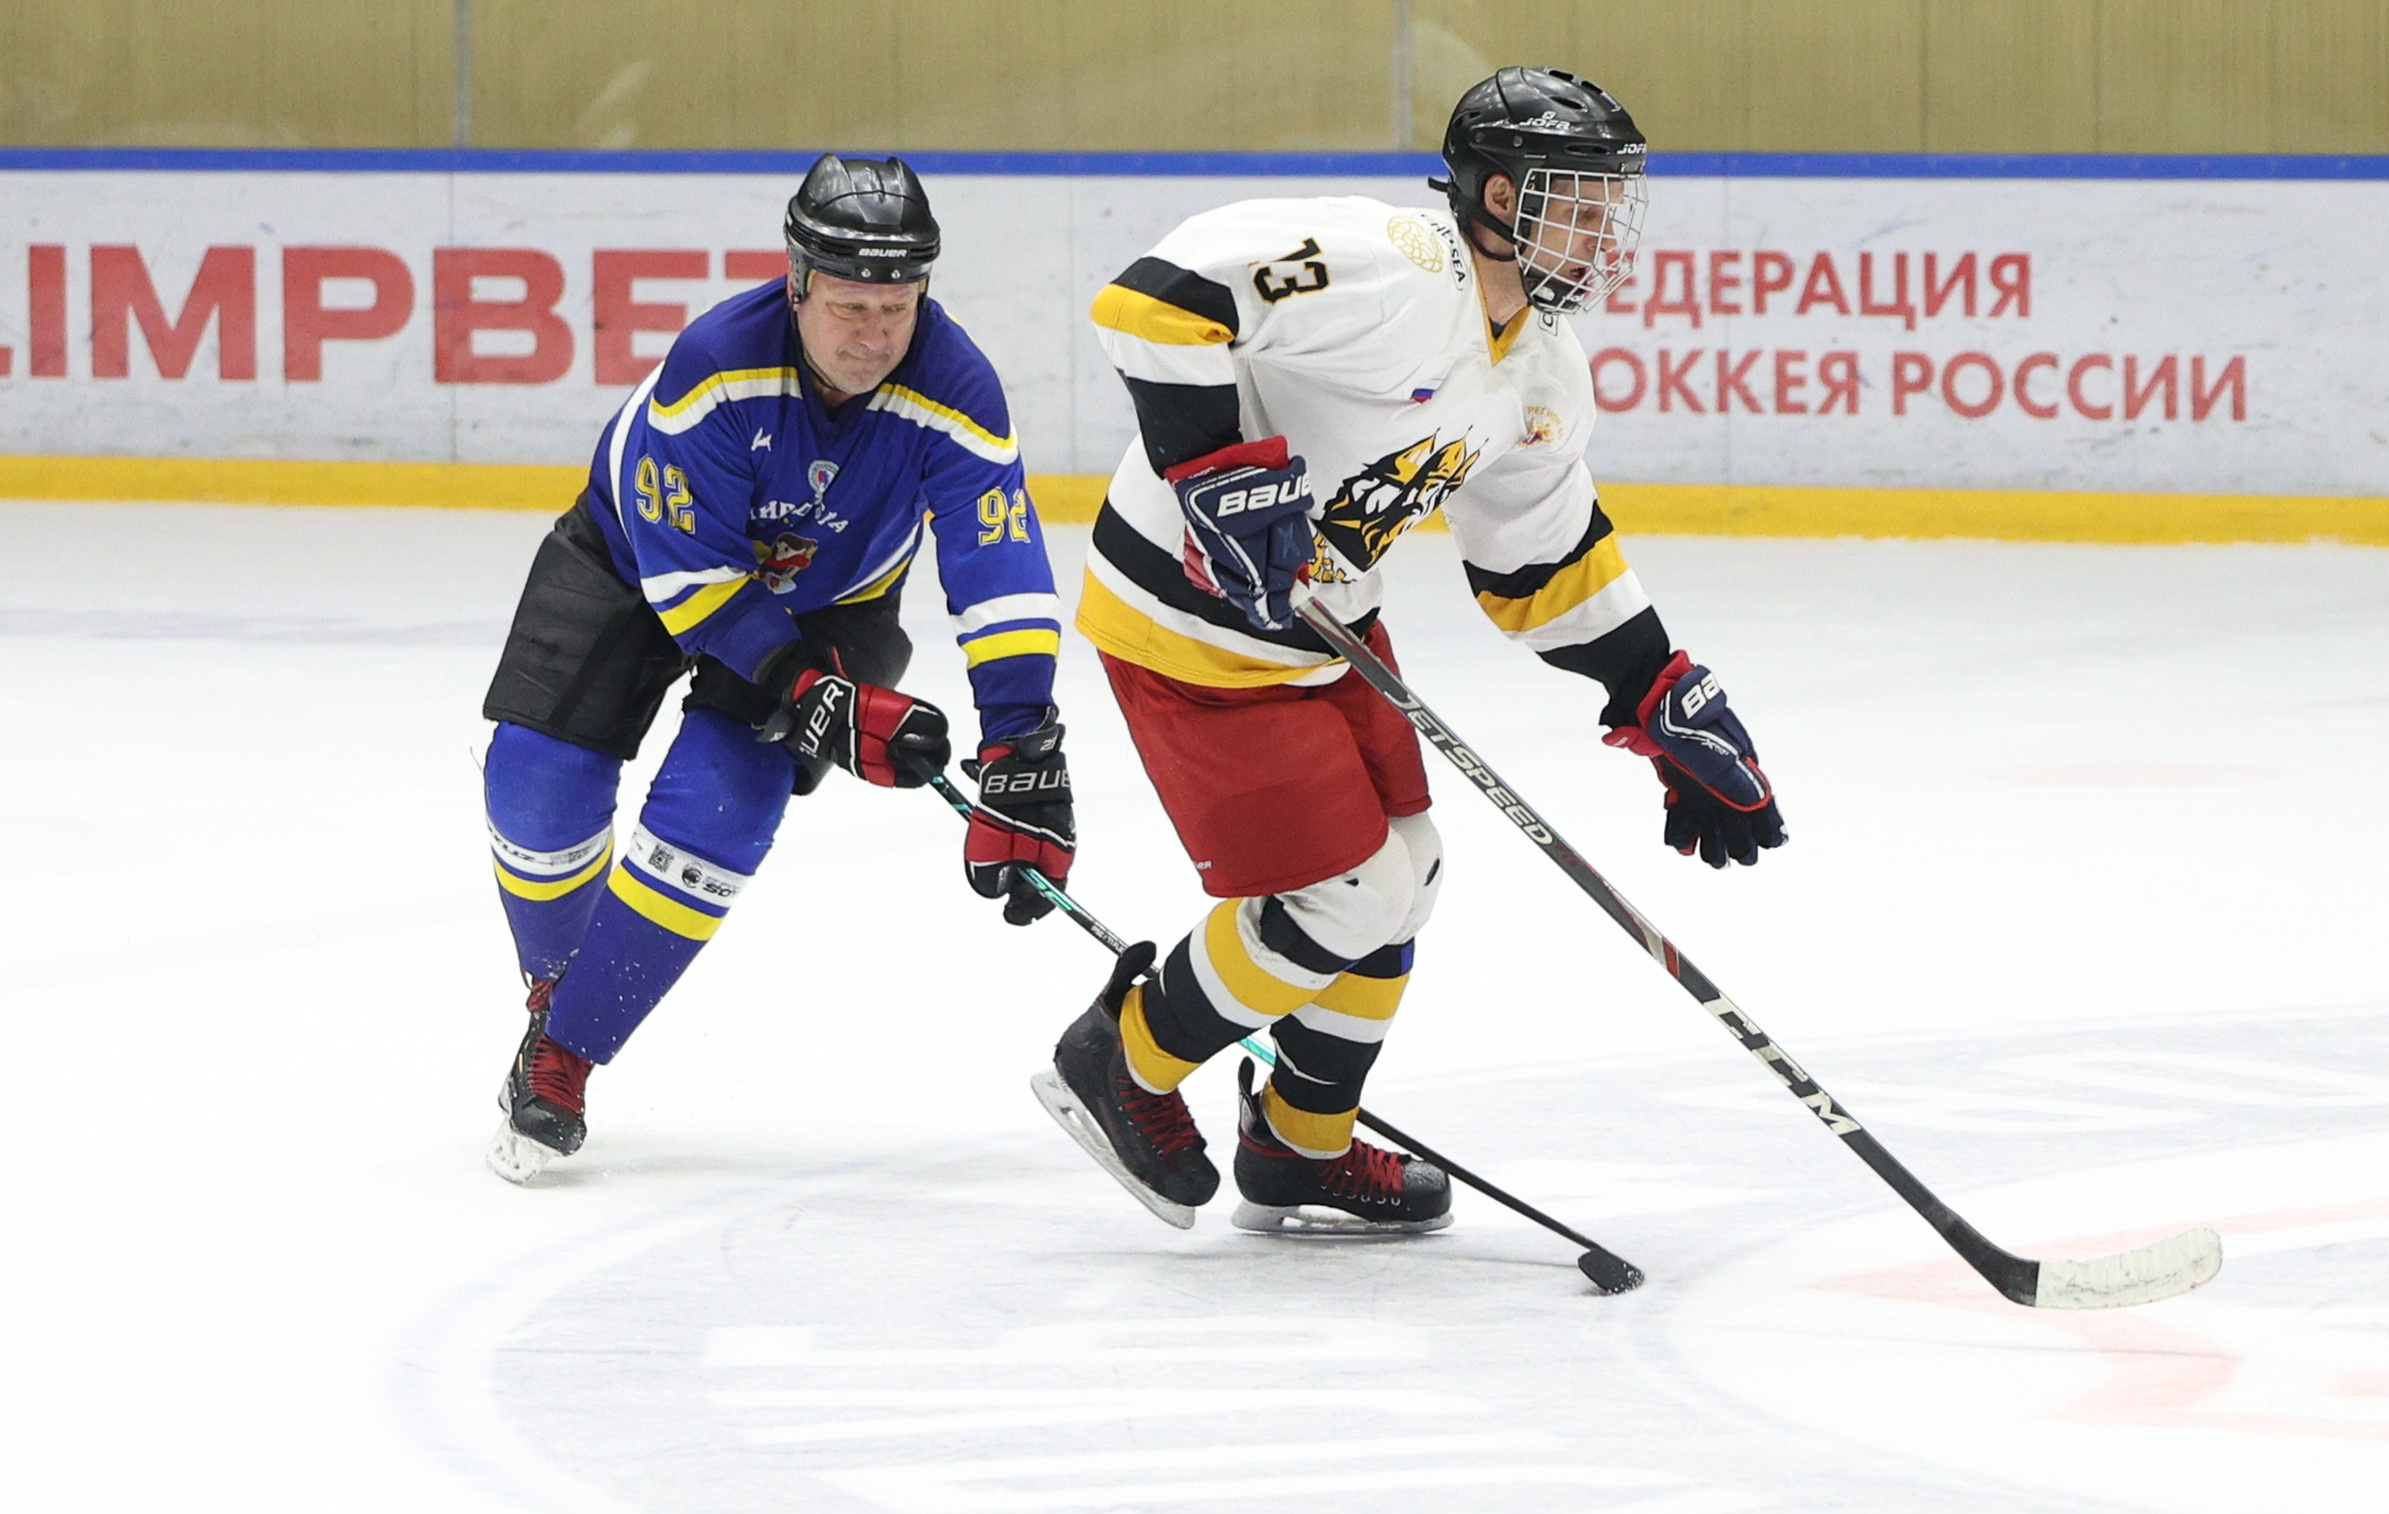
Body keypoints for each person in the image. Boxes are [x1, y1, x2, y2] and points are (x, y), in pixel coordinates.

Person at [1033, 67, 1786, 1234]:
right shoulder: (1386, 268)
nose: (1601, 230)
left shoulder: (1540, 368)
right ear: (1496, 195)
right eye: (1576, 201)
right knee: (1347, 892)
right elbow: (1157, 298)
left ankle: (1297, 1146)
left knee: (1405, 874)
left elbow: (1540, 556)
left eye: (1607, 203)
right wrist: (1210, 472)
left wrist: (1656, 690)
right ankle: (1121, 1062)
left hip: (1325, 623)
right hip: (1187, 625)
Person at [480, 155, 1074, 1183]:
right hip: (637, 563)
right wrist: (810, 694)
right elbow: (691, 583)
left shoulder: (957, 384)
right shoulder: (713, 362)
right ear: (796, 281)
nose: (873, 335)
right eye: (848, 304)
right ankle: (556, 981)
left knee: (720, 811)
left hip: (834, 603)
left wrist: (1024, 742)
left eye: (895, 307)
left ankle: (565, 1052)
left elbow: (1000, 564)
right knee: (537, 784)